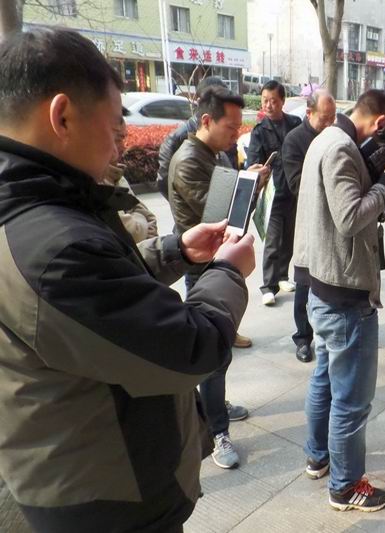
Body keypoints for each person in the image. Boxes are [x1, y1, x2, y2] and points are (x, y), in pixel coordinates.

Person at [0, 28, 256, 532]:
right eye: (115, 124)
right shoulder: (53, 246)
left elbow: (100, 291)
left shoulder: (40, 210)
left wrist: (175, 250)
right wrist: (228, 271)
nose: (120, 144)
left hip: (78, 470)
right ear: (62, 116)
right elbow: (191, 348)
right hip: (105, 499)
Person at [293, 89, 385, 512]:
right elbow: (350, 217)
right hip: (343, 292)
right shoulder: (341, 148)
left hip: (321, 283)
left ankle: (318, 458)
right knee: (352, 400)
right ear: (380, 123)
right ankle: (345, 487)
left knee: (324, 377)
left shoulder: (324, 137)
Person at [168, 85, 270, 469]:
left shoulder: (216, 153)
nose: (236, 134)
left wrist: (249, 181)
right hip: (203, 268)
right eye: (230, 126)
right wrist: (249, 183)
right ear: (207, 120)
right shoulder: (189, 160)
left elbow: (232, 208)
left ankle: (216, 406)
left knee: (220, 352)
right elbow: (219, 215)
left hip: (218, 262)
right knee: (212, 354)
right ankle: (217, 432)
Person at [281, 89, 337, 363]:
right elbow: (295, 184)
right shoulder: (294, 140)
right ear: (309, 113)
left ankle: (329, 331)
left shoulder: (336, 137)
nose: (329, 124)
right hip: (305, 222)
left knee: (328, 280)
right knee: (304, 282)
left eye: (333, 118)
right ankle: (303, 338)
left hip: (333, 222)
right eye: (324, 118)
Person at [247, 80, 303, 306]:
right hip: (273, 195)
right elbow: (252, 162)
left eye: (273, 101)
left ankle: (282, 277)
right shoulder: (259, 131)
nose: (268, 105)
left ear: (282, 101)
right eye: (265, 101)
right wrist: (259, 170)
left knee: (289, 238)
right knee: (273, 241)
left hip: (294, 192)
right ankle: (268, 286)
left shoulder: (295, 124)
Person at [156, 76, 237, 199]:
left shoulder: (225, 136)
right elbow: (165, 183)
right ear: (199, 102)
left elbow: (231, 174)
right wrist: (185, 200)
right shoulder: (176, 141)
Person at [103, 113, 159, 242]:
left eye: (123, 139)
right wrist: (139, 218)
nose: (123, 147)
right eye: (118, 139)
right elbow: (133, 232)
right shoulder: (96, 182)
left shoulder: (118, 175)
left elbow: (150, 219)